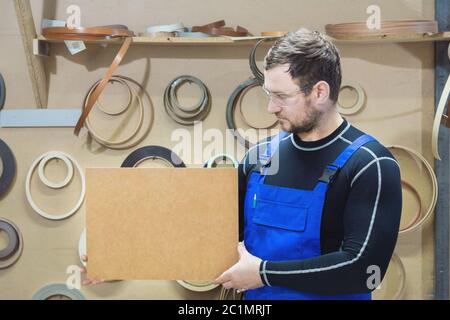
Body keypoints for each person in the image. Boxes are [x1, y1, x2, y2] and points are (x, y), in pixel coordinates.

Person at [213, 29, 402, 300]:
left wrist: (263, 274)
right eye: (269, 94)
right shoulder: (257, 159)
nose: (271, 108)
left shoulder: (370, 165)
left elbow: (364, 271)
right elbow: (219, 239)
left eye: (281, 96)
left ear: (320, 92)